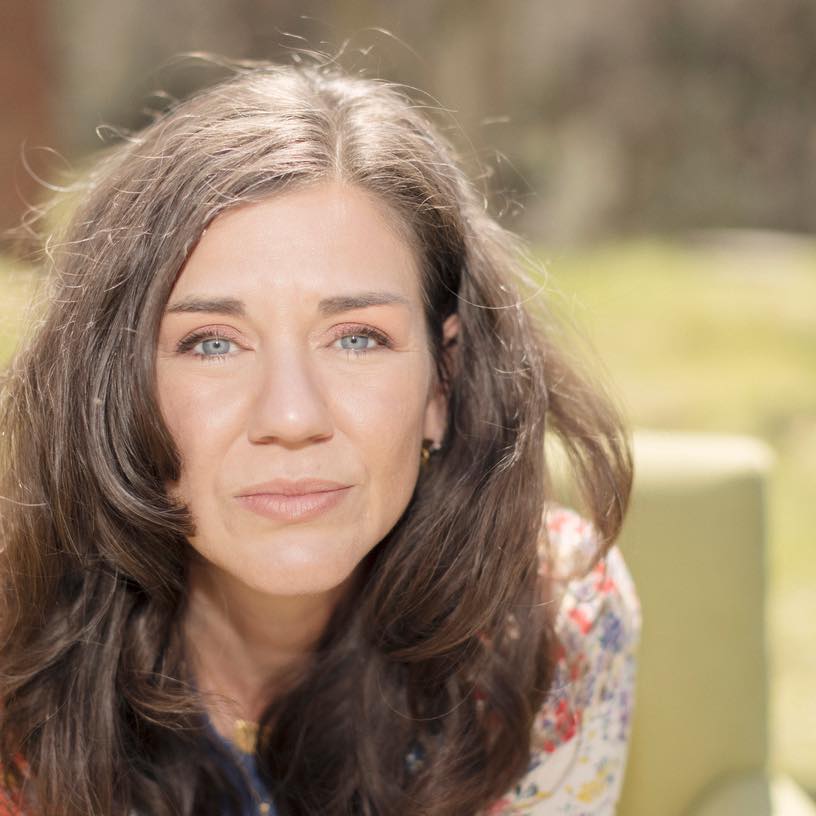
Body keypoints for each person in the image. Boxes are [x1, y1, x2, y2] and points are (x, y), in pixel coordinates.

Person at [0, 55, 641, 816]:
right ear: (115, 388)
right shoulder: (18, 648)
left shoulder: (555, 622)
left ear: (442, 382)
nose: (292, 418)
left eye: (357, 338)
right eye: (212, 343)